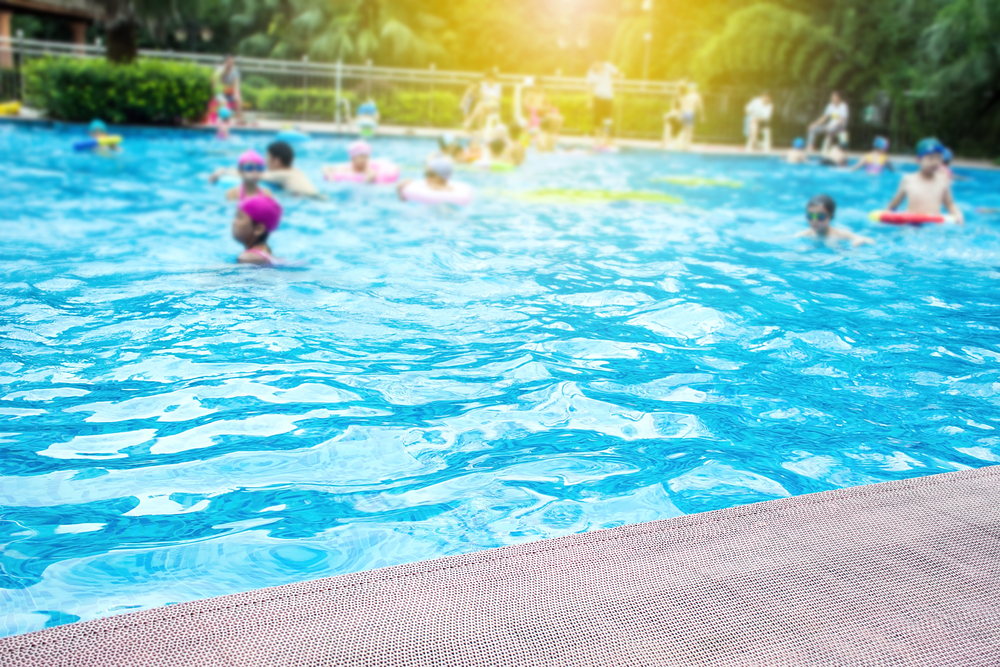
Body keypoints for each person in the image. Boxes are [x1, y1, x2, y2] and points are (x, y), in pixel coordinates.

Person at [885, 137, 964, 225]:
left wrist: (957, 214)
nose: (935, 162)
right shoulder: (908, 180)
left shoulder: (943, 180)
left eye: (938, 158)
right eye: (931, 158)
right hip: (910, 225)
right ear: (918, 160)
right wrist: (885, 215)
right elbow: (894, 204)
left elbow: (950, 204)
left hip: (933, 225)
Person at [796, 194, 873, 247]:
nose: (814, 220)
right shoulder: (805, 234)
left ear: (831, 216)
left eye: (820, 217)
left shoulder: (840, 234)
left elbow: (870, 240)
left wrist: (859, 240)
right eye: (810, 216)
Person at [233, 194, 283, 266]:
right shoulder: (266, 251)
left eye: (239, 217)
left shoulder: (248, 257)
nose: (234, 222)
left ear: (258, 229)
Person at [397, 155, 469, 202]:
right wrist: (401, 189)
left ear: (442, 176)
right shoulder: (423, 190)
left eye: (430, 174)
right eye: (426, 174)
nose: (427, 178)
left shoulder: (453, 194)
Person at [587, 61, 619, 146]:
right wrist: (590, 101)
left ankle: (606, 139)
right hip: (598, 97)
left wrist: (613, 82)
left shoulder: (608, 66)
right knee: (596, 119)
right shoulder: (591, 71)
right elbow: (590, 86)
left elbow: (617, 73)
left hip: (608, 97)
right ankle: (597, 139)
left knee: (608, 120)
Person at [214, 55, 242, 123]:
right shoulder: (220, 70)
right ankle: (224, 120)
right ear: (225, 62)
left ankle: (239, 119)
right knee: (224, 101)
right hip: (219, 92)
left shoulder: (235, 71)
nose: (230, 64)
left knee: (238, 99)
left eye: (232, 62)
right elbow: (215, 81)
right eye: (229, 62)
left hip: (229, 92)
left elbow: (237, 85)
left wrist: (236, 94)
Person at [677, 82, 705, 151]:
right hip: (690, 113)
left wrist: (680, 115)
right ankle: (687, 146)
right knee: (689, 131)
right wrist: (702, 116)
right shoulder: (696, 96)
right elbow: (700, 106)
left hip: (685, 113)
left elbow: (682, 106)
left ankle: (684, 146)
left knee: (686, 130)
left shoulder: (687, 96)